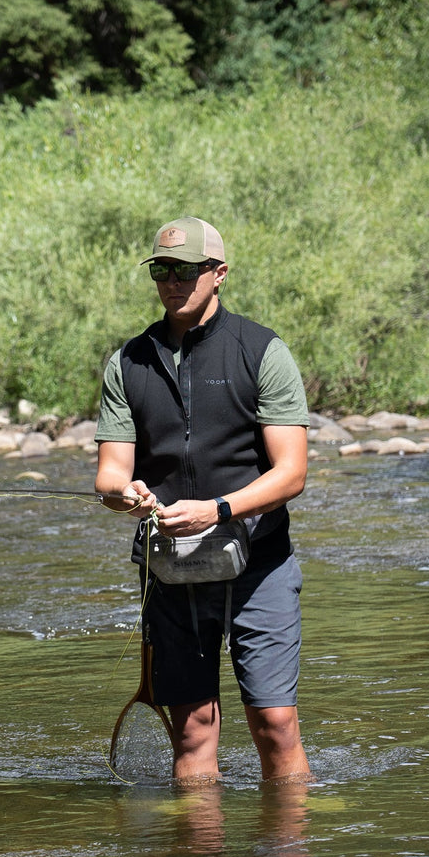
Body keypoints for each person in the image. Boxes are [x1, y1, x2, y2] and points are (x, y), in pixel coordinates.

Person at [94, 216, 312, 784]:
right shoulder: (128, 363)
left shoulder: (261, 351)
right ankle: (197, 845)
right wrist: (125, 494)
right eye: (162, 271)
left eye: (186, 270)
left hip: (260, 564)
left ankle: (290, 840)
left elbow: (291, 474)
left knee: (275, 723)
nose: (173, 282)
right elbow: (110, 475)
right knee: (191, 731)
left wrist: (216, 510)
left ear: (219, 274)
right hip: (169, 571)